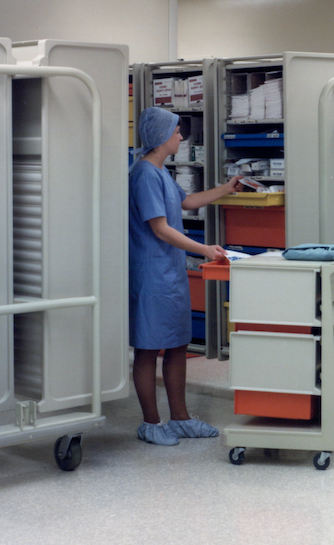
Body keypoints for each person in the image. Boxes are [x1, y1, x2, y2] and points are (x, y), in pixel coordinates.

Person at [129, 106, 243, 446]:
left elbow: (188, 201)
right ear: (163, 136)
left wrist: (228, 188)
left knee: (178, 345)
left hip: (170, 273)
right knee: (148, 349)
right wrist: (204, 249)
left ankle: (180, 418)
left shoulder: (161, 172)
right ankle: (151, 422)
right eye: (177, 131)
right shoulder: (144, 174)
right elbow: (160, 228)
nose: (181, 136)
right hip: (151, 274)